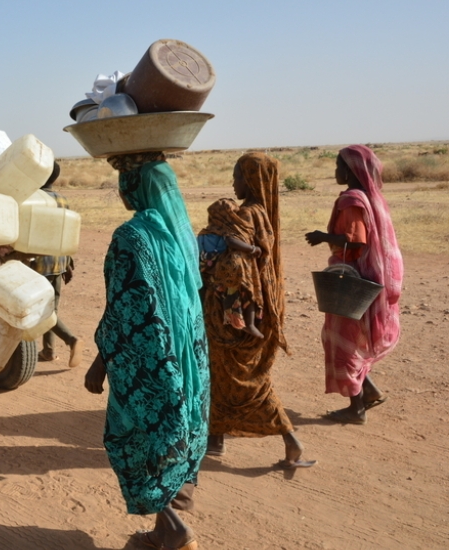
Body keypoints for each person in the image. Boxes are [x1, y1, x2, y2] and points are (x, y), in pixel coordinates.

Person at [84, 152, 209, 550]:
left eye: (126, 179)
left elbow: (125, 308)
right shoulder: (180, 232)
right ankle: (161, 531)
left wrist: (100, 363)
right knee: (177, 436)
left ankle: (174, 528)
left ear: (133, 186)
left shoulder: (132, 236)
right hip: (190, 358)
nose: (121, 188)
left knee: (133, 439)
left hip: (150, 361)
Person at [204, 153, 315, 469]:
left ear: (251, 180)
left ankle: (289, 439)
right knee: (223, 377)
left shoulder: (245, 215)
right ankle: (215, 438)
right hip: (255, 310)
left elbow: (232, 266)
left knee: (244, 382)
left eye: (238, 176)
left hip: (233, 316)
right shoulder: (264, 214)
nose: (234, 183)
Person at [305, 145, 403, 425]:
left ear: (349, 170)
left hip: (351, 283)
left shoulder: (351, 200)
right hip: (368, 277)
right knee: (351, 338)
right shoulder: (372, 198)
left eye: (338, 166)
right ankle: (368, 391)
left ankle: (356, 409)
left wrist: (323, 236)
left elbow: (356, 240)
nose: (335, 171)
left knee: (343, 341)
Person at [29, 162, 83, 368]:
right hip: (58, 261)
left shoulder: (32, 199)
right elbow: (67, 231)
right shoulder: (62, 199)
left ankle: (71, 339)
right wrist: (68, 261)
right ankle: (49, 351)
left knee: (39, 309)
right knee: (51, 308)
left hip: (37, 263)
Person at [197, 197, 265, 339]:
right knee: (245, 290)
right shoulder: (227, 232)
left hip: (206, 272)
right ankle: (248, 323)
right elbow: (231, 241)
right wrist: (253, 249)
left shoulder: (203, 234)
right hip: (224, 274)